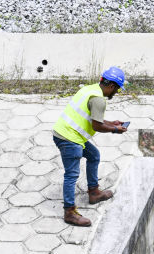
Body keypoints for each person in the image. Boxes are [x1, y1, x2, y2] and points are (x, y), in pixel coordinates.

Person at [51, 67, 129, 226]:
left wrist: (112, 123)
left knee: (94, 155)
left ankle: (94, 193)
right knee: (71, 174)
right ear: (112, 86)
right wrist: (115, 130)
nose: (116, 93)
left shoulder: (90, 89)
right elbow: (96, 126)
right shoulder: (99, 100)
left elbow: (94, 119)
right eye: (117, 89)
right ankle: (69, 212)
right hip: (69, 138)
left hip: (66, 132)